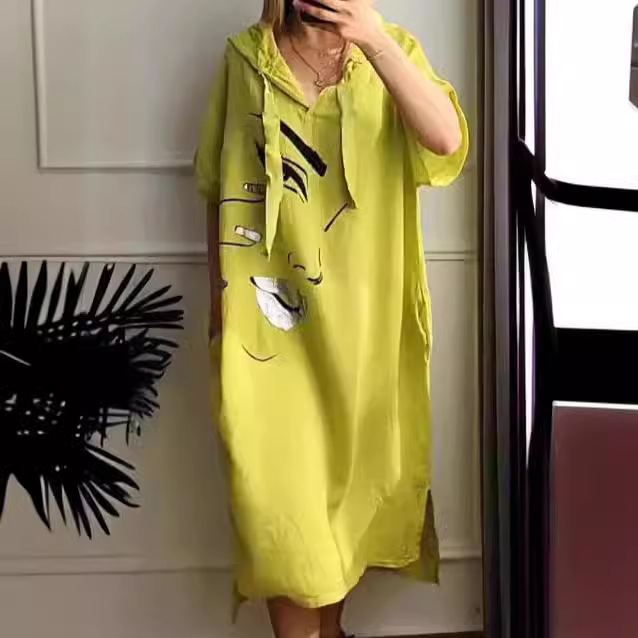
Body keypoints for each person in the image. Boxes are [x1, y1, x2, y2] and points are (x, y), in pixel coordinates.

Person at [196, 0, 468, 636]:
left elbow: (446, 142)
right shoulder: (245, 60)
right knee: (277, 506)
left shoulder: (392, 51)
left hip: (365, 329)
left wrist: (372, 39)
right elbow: (217, 185)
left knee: (342, 514)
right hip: (267, 332)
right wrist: (219, 298)